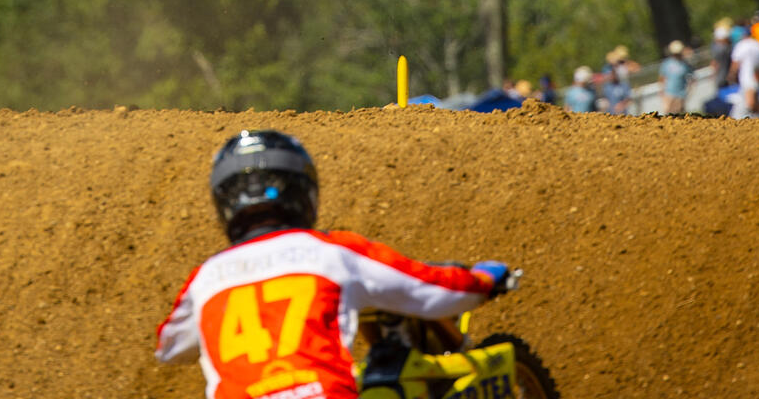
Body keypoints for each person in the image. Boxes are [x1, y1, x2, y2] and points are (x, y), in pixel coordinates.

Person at [156, 129, 511, 391]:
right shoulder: (331, 252)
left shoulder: (205, 279)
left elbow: (169, 348)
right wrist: (483, 280)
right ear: (303, 191)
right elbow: (431, 290)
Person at [729, 27, 759, 115]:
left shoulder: (741, 45)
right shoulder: (757, 44)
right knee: (756, 98)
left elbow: (735, 62)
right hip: (757, 76)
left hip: (746, 75)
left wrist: (732, 74)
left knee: (750, 102)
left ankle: (751, 118)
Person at [658, 40, 692, 115]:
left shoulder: (685, 64)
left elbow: (691, 77)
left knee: (680, 113)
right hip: (669, 93)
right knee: (668, 113)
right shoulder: (667, 63)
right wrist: (662, 91)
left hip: (681, 93)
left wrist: (689, 91)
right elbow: (662, 77)